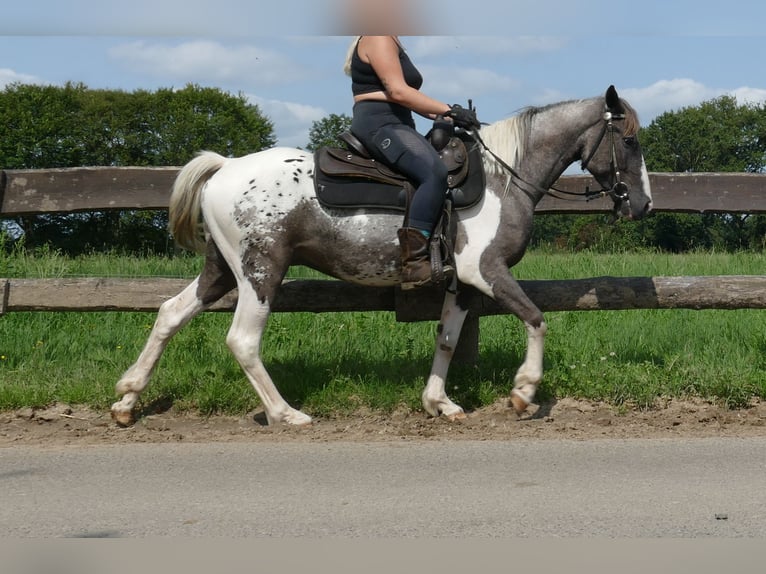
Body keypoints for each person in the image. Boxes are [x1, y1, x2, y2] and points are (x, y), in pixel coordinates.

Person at [344, 35, 480, 289]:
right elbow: (398, 91)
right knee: (434, 172)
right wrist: (448, 109)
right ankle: (414, 262)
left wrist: (449, 115)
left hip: (398, 121)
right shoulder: (378, 36)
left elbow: (408, 98)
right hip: (379, 123)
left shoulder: (391, 39)